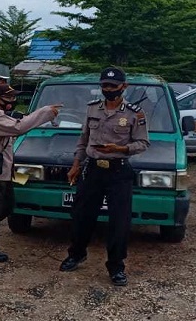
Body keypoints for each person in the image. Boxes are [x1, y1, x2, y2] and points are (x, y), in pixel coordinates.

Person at [59, 66, 150, 287]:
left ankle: (116, 266)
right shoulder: (92, 109)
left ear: (124, 86)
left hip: (118, 171)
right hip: (92, 170)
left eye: (112, 86)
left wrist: (121, 149)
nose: (108, 89)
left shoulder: (134, 113)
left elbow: (143, 143)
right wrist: (76, 164)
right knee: (81, 215)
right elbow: (83, 140)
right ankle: (76, 254)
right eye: (104, 86)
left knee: (119, 221)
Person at [0, 84, 59, 262]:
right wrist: (45, 112)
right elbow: (19, 128)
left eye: (14, 97)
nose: (12, 101)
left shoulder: (1, 114)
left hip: (2, 171)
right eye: (9, 98)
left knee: (7, 206)